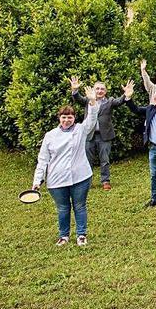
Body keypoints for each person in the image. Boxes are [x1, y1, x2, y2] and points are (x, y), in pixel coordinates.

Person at [31, 84, 99, 246]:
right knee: (63, 208)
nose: (67, 120)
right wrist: (37, 181)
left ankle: (81, 235)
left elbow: (91, 119)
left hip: (80, 176)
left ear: (74, 118)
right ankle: (64, 236)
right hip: (56, 179)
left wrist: (92, 102)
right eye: (64, 117)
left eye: (70, 117)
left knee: (80, 206)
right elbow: (43, 159)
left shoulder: (81, 130)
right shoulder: (50, 135)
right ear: (59, 118)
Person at [69, 76, 128, 191]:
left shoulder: (110, 101)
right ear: (93, 90)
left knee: (104, 159)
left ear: (105, 91)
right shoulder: (88, 100)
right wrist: (75, 90)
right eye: (97, 89)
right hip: (89, 135)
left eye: (102, 89)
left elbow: (120, 101)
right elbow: (77, 98)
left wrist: (126, 94)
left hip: (104, 136)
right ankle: (87, 181)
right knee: (87, 159)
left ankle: (105, 181)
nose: (100, 91)